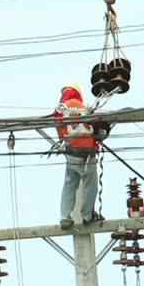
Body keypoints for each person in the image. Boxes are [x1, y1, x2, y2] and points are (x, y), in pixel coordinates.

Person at [54, 83, 106, 229]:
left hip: (71, 153)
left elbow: (59, 129)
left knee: (69, 185)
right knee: (90, 186)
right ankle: (88, 216)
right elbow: (98, 127)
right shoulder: (85, 108)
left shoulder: (60, 109)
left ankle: (64, 217)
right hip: (87, 155)